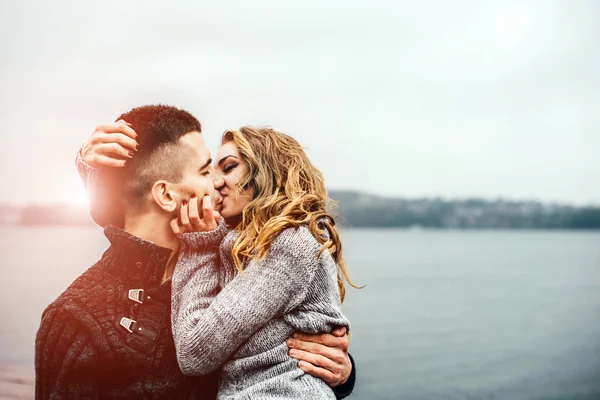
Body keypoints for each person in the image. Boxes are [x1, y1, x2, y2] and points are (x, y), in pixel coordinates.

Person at [34, 105, 355, 399]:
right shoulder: (77, 320)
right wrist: (89, 168)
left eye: (223, 168)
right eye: (205, 172)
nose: (215, 184)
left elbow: (277, 347)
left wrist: (339, 373)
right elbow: (131, 201)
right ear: (166, 195)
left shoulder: (234, 253)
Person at [169, 127, 359, 399]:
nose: (216, 183)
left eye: (229, 167)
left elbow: (194, 353)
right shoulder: (243, 245)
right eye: (210, 173)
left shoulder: (290, 243)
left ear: (268, 171)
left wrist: (198, 247)